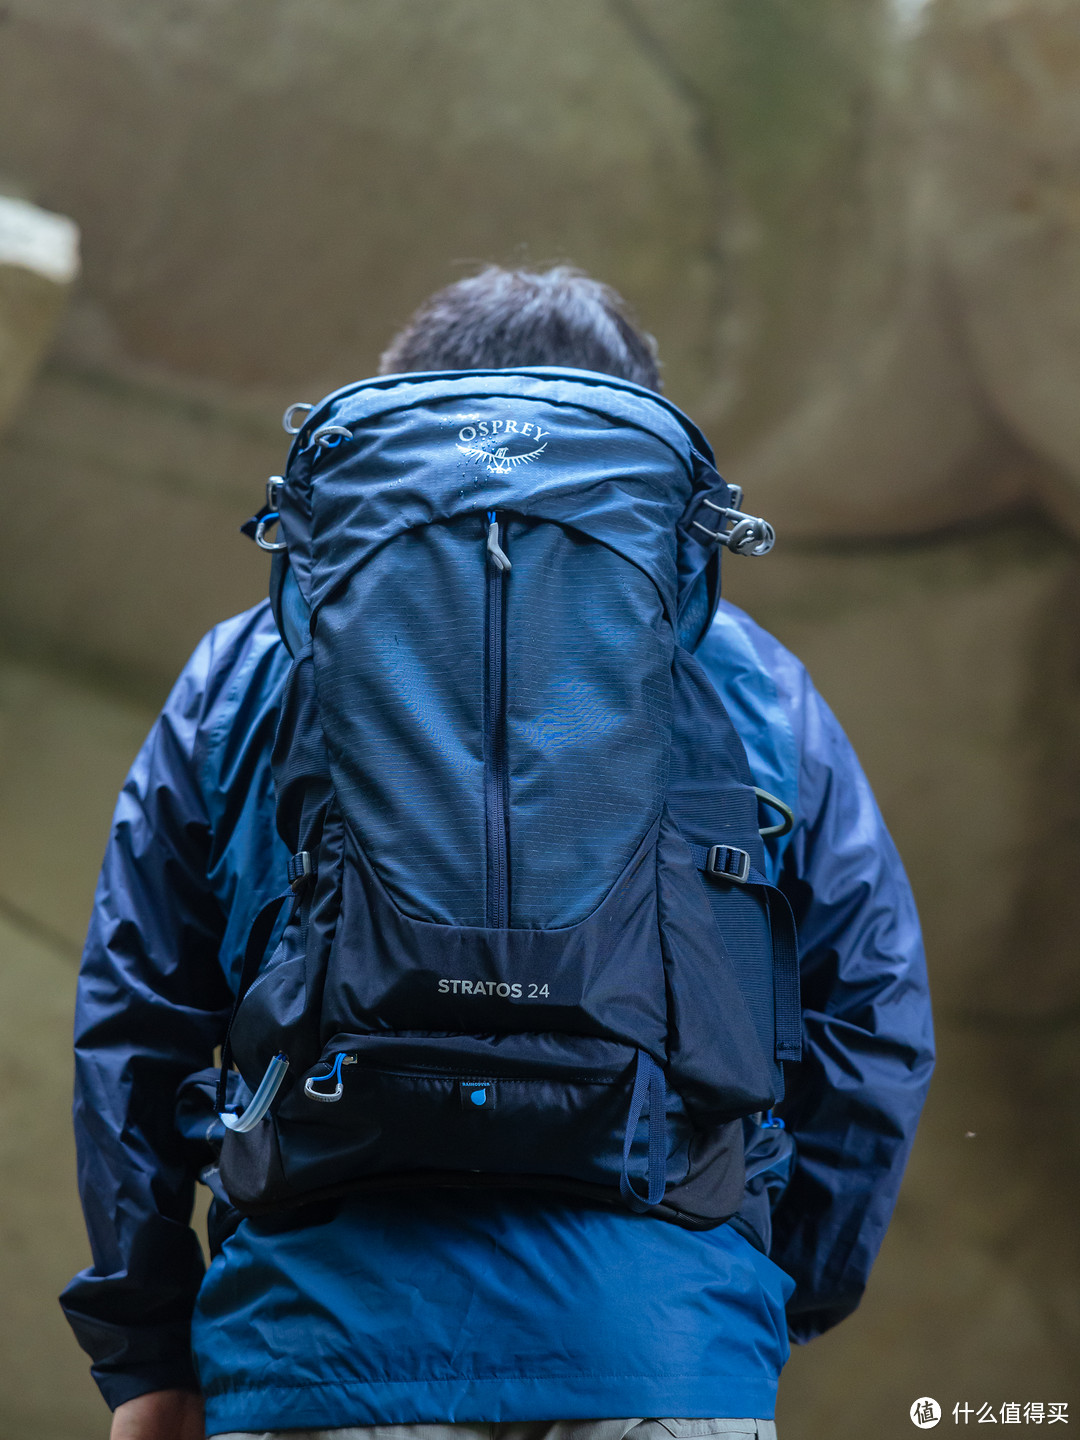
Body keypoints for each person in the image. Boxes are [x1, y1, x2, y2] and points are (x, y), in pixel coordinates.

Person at [61, 266, 934, 1440]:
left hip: (316, 1339)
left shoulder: (251, 668)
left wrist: (148, 1352)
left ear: (402, 415)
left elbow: (138, 1014)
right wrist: (756, 1299)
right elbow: (871, 1021)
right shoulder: (753, 684)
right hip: (663, 1342)